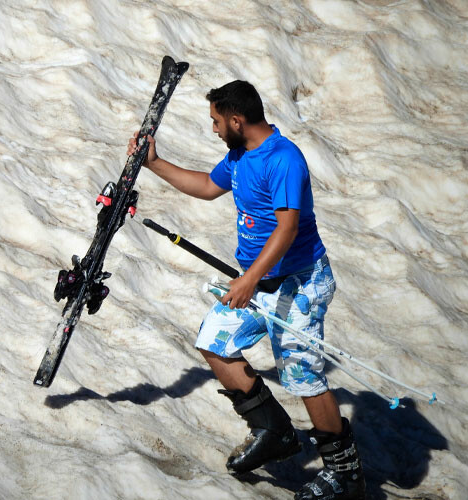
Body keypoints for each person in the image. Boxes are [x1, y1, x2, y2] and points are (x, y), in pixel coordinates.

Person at [127, 80, 365, 500]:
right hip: (256, 281)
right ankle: (273, 431)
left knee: (303, 375)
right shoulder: (239, 155)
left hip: (300, 283)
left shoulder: (283, 159)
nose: (214, 129)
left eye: (217, 121)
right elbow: (206, 187)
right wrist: (154, 163)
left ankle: (344, 472)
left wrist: (250, 279)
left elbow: (288, 229)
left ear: (237, 120)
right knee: (214, 342)